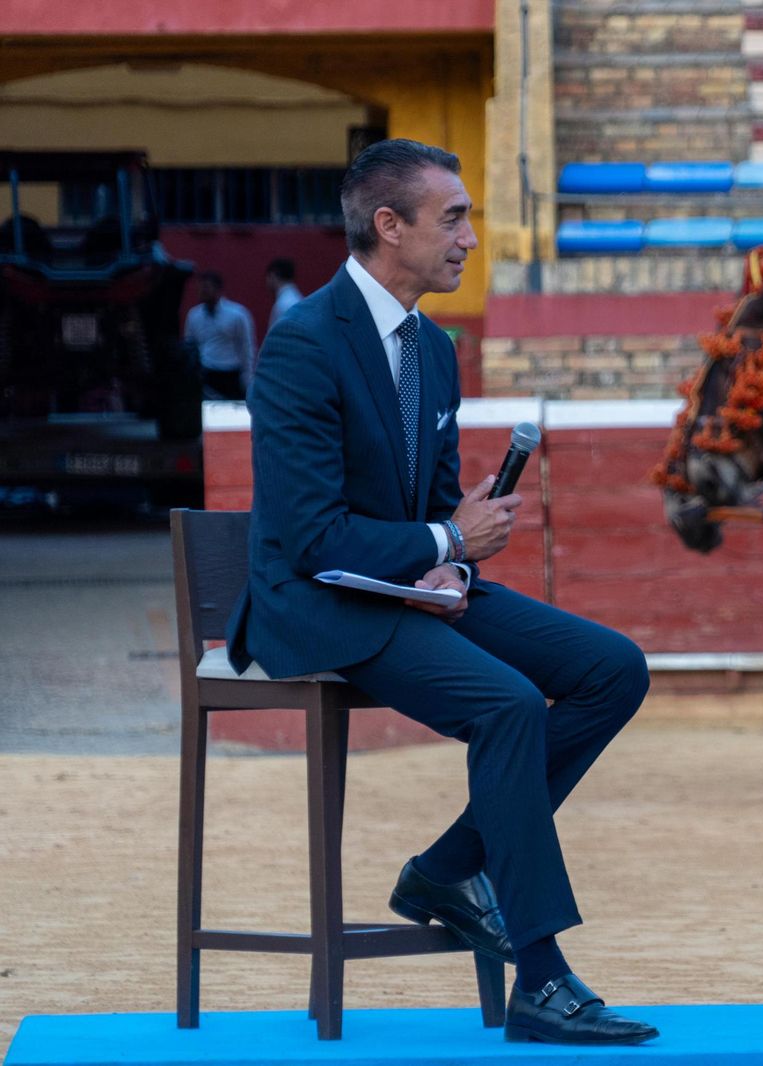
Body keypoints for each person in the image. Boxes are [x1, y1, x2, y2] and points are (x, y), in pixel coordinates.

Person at [225, 139, 657, 1046]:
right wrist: (449, 542)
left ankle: (449, 865)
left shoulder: (433, 346)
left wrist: (451, 568)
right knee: (507, 704)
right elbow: (312, 538)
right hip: (318, 604)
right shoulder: (303, 342)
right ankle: (542, 979)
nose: (470, 237)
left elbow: (436, 506)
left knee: (613, 668)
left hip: (402, 589)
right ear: (390, 226)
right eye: (453, 218)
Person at [183, 270, 255, 399]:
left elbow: (246, 346)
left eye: (206, 287)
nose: (202, 291)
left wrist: (247, 378)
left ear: (218, 290)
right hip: (205, 373)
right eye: (200, 287)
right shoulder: (194, 315)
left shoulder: (237, 314)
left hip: (231, 374)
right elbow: (189, 346)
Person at [265, 257, 303, 331]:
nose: (267, 281)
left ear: (273, 275)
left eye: (268, 276)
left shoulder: (283, 304)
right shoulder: (298, 298)